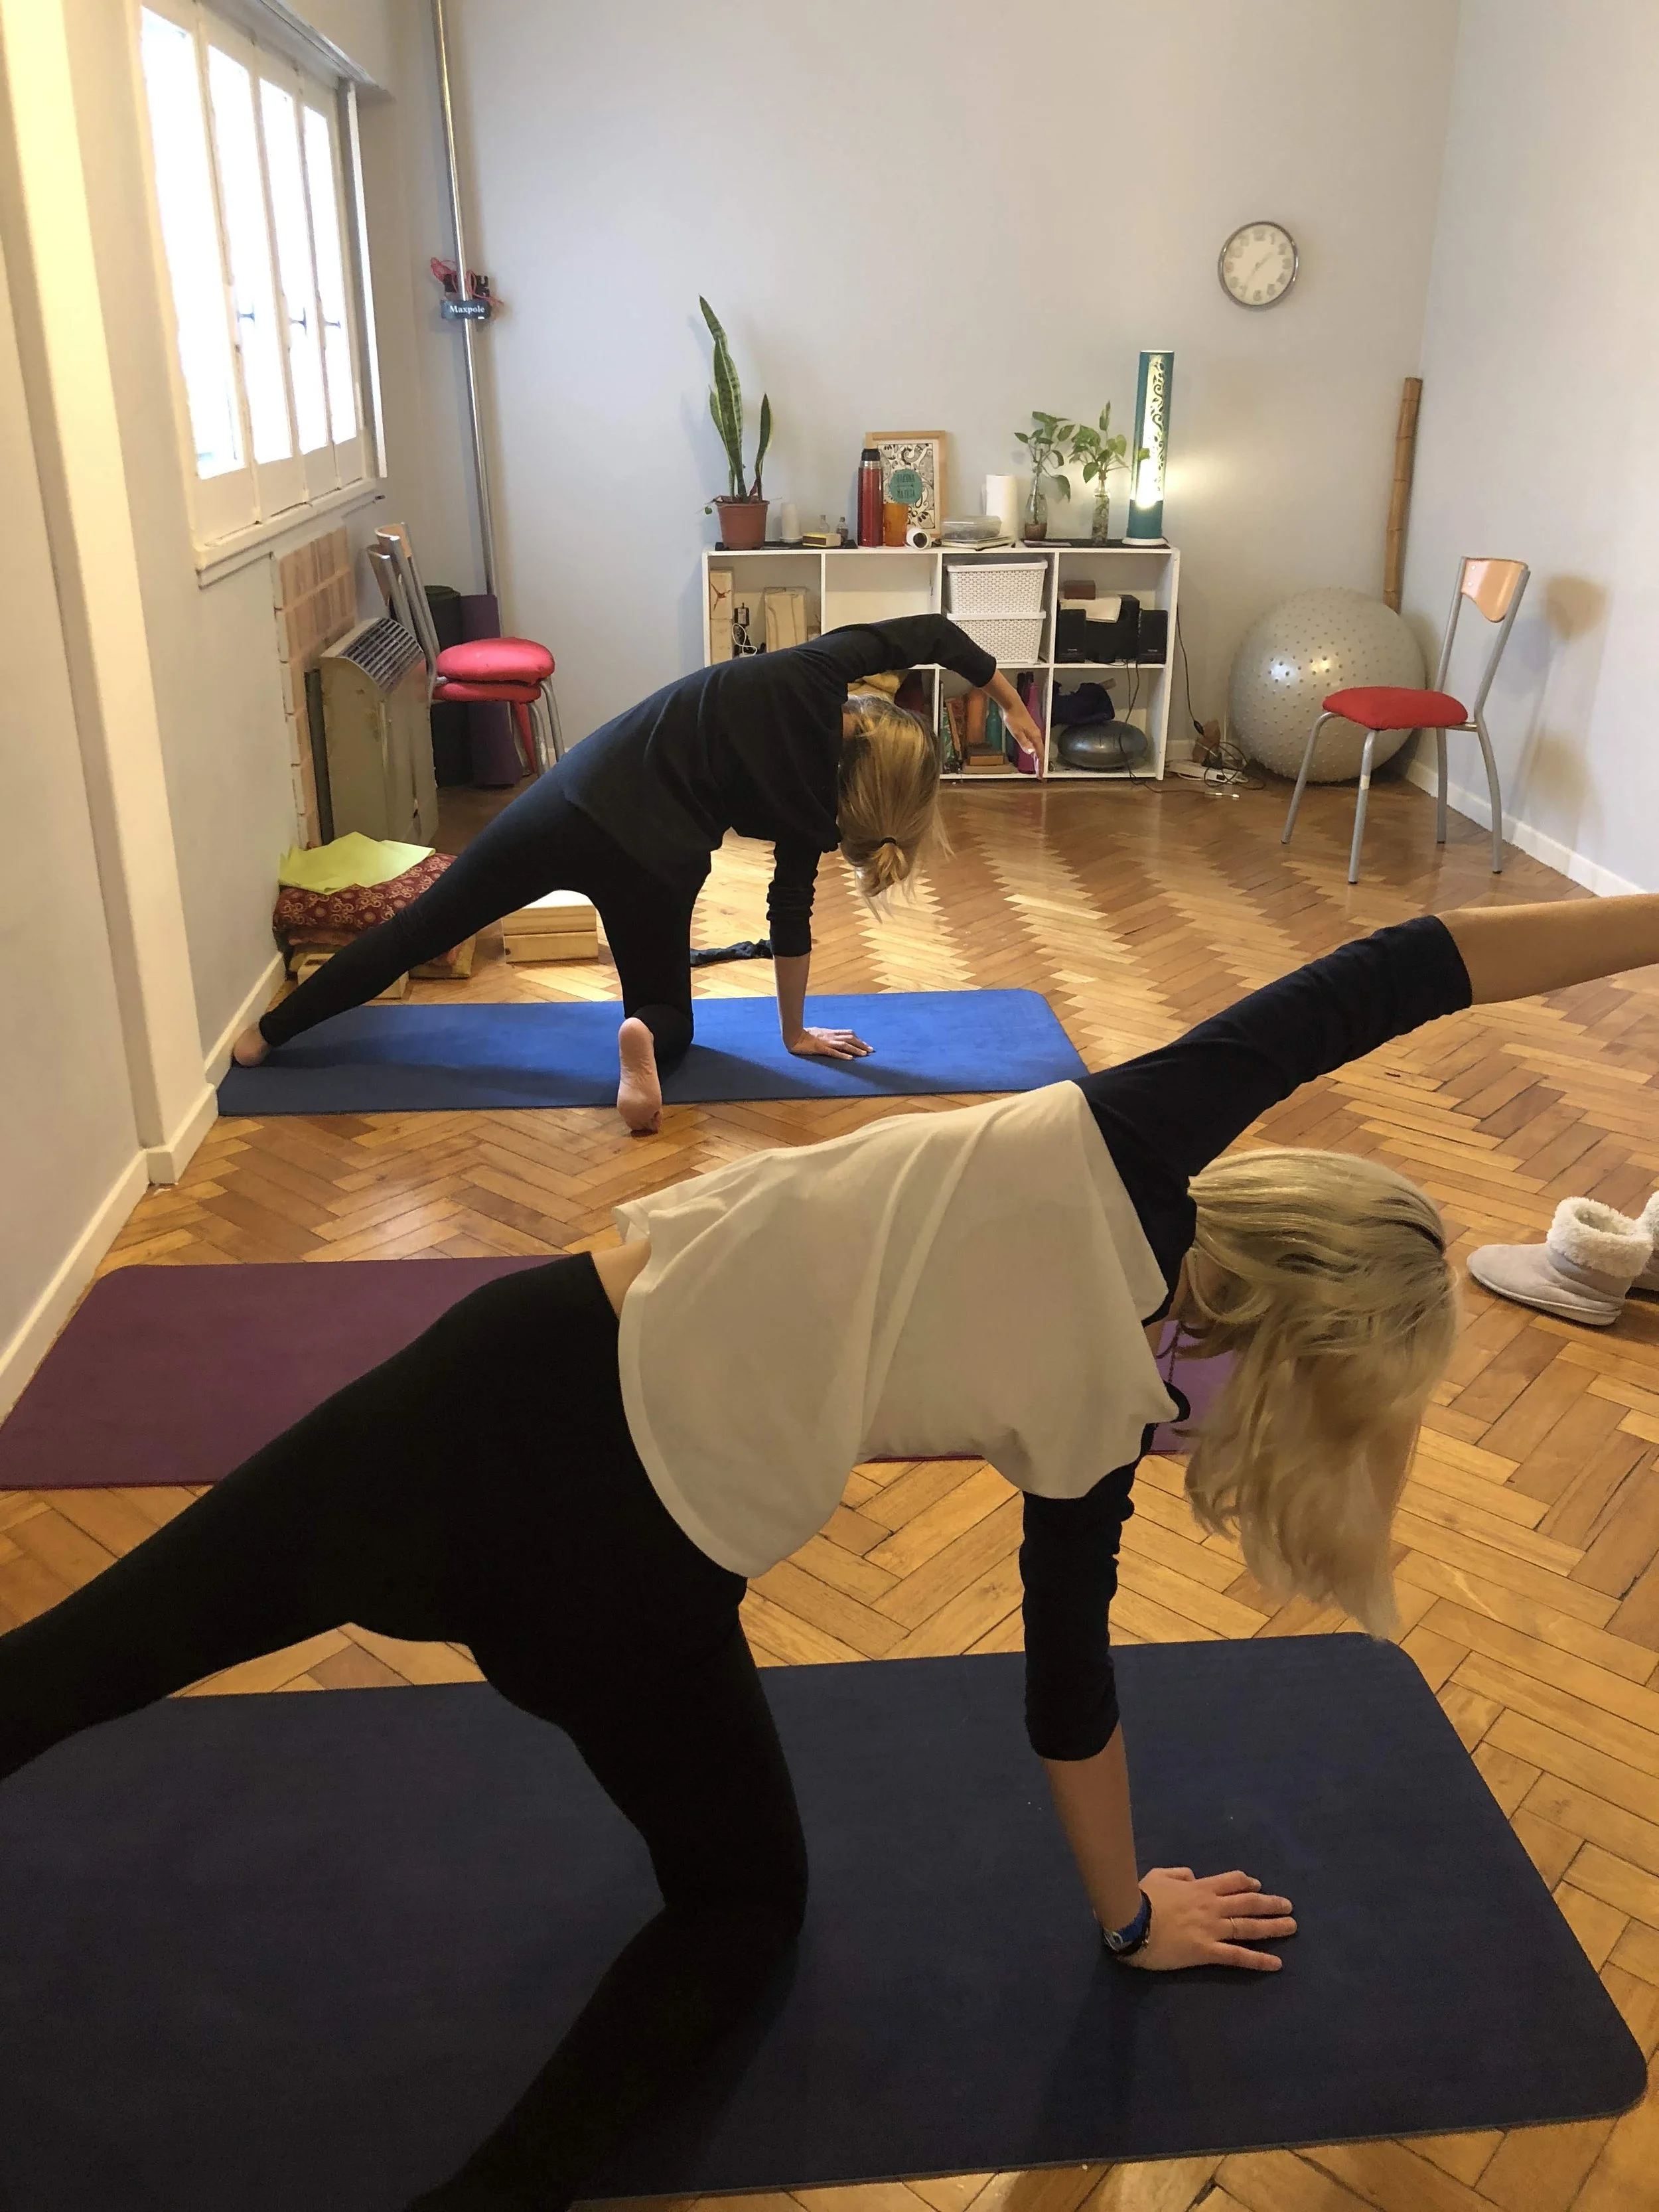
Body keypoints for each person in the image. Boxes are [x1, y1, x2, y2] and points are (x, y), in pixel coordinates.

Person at [5, 892, 1645, 2211]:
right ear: (1294, 1354)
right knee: (742, 1907)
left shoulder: (1127, 1134)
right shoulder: (1097, 1420)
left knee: (75, 1662)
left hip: (476, 1388)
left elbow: (1408, 967)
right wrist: (1129, 1917)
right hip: (623, 1577)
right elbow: (1065, 1693)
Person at [232, 615, 1045, 1134]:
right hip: (656, 860)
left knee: (421, 927)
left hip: (571, 798)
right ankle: (641, 1040)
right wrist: (793, 1035)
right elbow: (788, 917)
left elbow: (934, 631)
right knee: (668, 1018)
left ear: (871, 721)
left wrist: (1006, 698)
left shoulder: (813, 670)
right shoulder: (813, 816)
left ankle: (265, 1038)